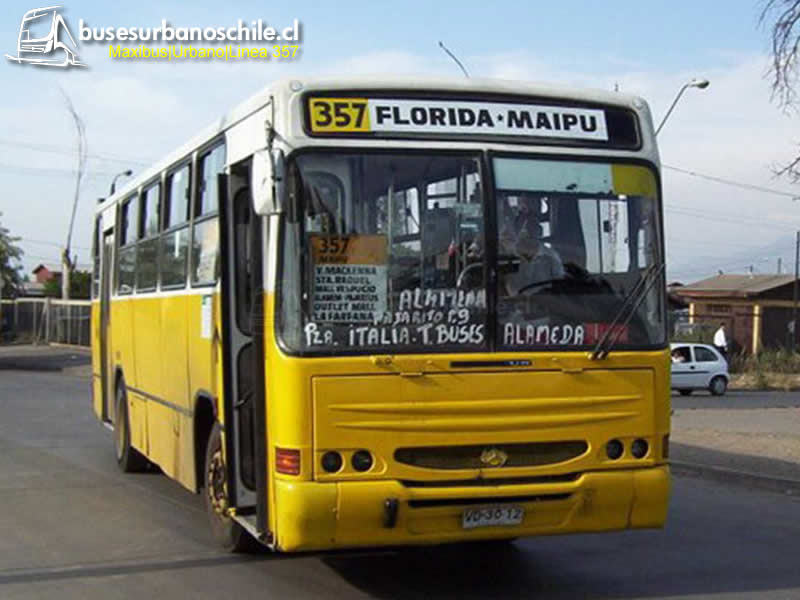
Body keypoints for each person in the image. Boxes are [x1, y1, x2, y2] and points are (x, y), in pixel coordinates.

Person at [500, 202, 564, 296]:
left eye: (531, 226)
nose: (527, 230)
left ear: (540, 231)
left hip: (545, 306)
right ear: (516, 230)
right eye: (523, 226)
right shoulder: (506, 257)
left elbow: (559, 286)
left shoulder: (551, 257)